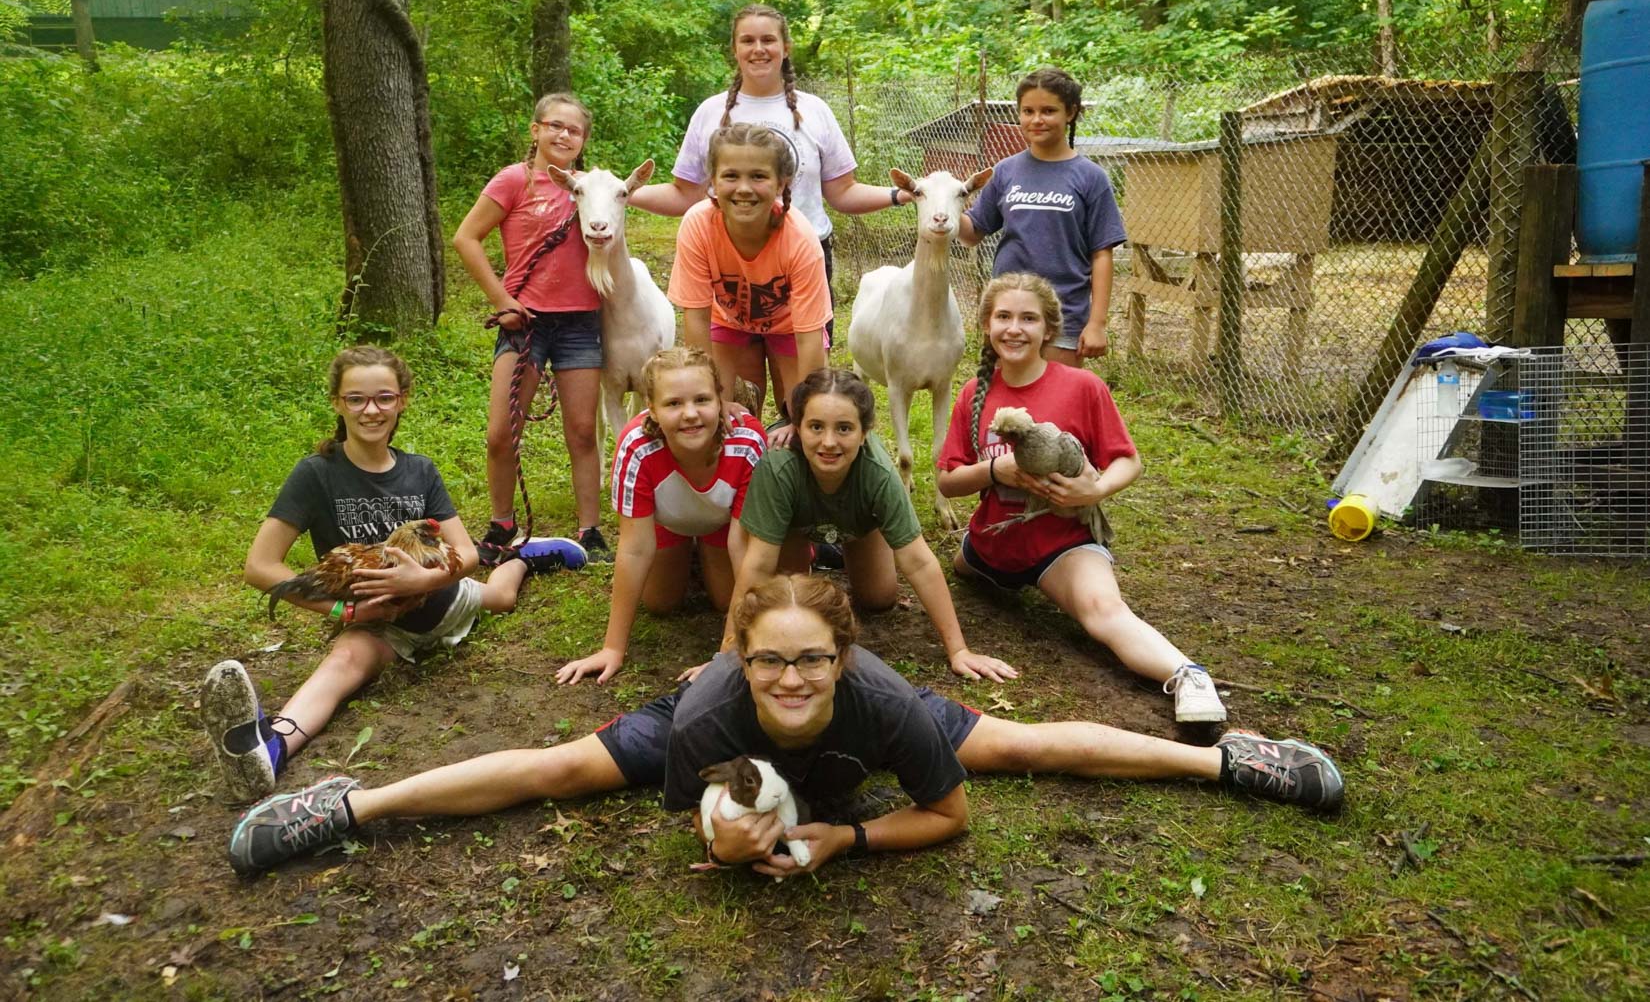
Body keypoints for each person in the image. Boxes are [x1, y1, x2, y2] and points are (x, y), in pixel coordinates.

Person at [225, 574, 1345, 877]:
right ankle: (342, 805)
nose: (795, 673)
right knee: (559, 771)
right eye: (775, 658)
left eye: (814, 654)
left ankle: (1234, 762)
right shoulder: (712, 703)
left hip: (857, 761)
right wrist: (734, 838)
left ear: (845, 654)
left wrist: (844, 838)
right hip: (724, 747)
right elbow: (713, 840)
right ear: (743, 659)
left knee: (1026, 741)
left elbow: (949, 818)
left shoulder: (883, 698)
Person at [201, 346, 587, 804]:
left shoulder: (419, 471)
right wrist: (344, 609)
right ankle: (269, 749)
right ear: (337, 403)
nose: (371, 410)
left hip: (443, 597)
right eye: (357, 399)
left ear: (402, 401)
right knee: (342, 665)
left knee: (500, 597)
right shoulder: (316, 475)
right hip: (378, 623)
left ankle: (521, 558)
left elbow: (464, 554)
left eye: (384, 398)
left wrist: (422, 582)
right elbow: (260, 566)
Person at [936, 274, 1226, 723]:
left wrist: (1095, 489)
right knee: (962, 567)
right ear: (986, 326)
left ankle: (1188, 676)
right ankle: (978, 561)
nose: (1015, 329)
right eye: (1004, 317)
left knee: (1102, 611)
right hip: (990, 547)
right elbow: (947, 481)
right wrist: (997, 470)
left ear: (1049, 330)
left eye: (1028, 318)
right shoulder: (975, 394)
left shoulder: (1081, 387)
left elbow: (1129, 461)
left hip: (1060, 545)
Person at [631, 3, 913, 348]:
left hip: (802, 261)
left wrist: (898, 196)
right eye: (747, 40)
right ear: (734, 49)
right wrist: (619, 193)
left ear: (785, 48)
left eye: (768, 40)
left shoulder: (815, 111)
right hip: (728, 266)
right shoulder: (710, 113)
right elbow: (685, 194)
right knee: (730, 395)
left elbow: (843, 192)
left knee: (799, 397)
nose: (759, 49)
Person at [726, 367, 1017, 683]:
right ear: (797, 427)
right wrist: (727, 653)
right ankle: (818, 548)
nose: (829, 442)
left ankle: (837, 541)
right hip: (792, 527)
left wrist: (958, 650)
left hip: (857, 524)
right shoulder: (780, 467)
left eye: (844, 429)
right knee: (788, 596)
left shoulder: (877, 473)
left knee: (879, 598)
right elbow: (758, 564)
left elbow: (919, 562)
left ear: (865, 433)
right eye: (815, 427)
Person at [452, 91, 611, 563]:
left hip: (581, 322)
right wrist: (503, 301)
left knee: (583, 431)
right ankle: (502, 523)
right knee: (502, 430)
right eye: (555, 125)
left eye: (574, 130)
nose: (564, 135)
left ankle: (591, 529)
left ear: (584, 140)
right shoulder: (513, 181)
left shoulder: (592, 186)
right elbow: (466, 237)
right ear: (536, 130)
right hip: (526, 323)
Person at [556, 347, 767, 685]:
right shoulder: (636, 447)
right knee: (660, 603)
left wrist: (729, 653)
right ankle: (687, 551)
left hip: (726, 526)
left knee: (727, 600)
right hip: (668, 522)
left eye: (702, 400)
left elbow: (744, 550)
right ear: (651, 409)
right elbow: (634, 549)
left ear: (720, 400)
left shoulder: (748, 442)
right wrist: (612, 649)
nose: (690, 414)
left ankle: (705, 553)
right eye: (673, 404)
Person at [958, 67, 1126, 367]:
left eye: (1048, 110)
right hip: (1009, 317)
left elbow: (1102, 255)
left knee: (1056, 407)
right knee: (1006, 409)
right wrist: (941, 204)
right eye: (1028, 111)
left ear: (1070, 112)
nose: (1037, 120)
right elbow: (972, 232)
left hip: (1064, 317)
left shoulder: (1091, 177)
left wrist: (1097, 323)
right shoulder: (1005, 172)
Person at [665, 122, 832, 422]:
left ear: (781, 183)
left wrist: (807, 417)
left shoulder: (800, 240)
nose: (743, 188)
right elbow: (697, 318)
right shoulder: (698, 225)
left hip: (789, 327)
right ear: (713, 180)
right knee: (713, 413)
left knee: (801, 412)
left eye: (758, 176)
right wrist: (711, 395)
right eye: (730, 176)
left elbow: (809, 339)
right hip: (727, 321)